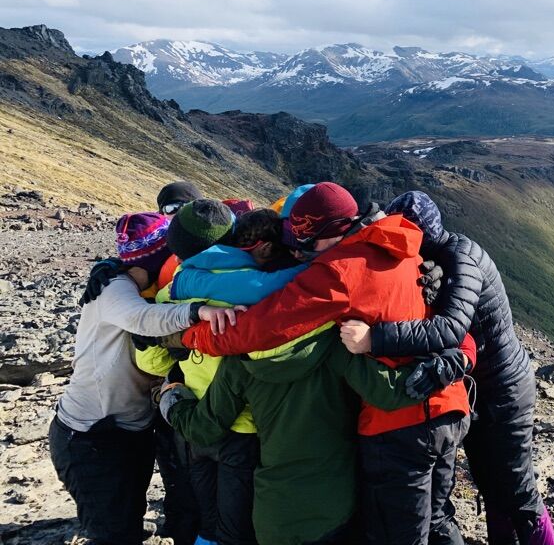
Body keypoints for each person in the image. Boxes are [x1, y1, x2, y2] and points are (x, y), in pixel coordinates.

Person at [181, 182, 475, 545]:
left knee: (398, 535)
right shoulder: (403, 244)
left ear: (337, 230)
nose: (303, 252)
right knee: (438, 522)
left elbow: (258, 329)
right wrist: (462, 357)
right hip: (448, 405)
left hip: (397, 423)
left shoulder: (338, 271)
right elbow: (447, 325)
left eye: (309, 242)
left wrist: (188, 335)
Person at [340, 192, 554, 545]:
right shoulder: (441, 258)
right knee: (489, 482)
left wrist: (373, 339)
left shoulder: (462, 259)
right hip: (479, 387)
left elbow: (452, 328)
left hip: (504, 389)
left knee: (516, 489)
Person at [49, 212, 242, 545]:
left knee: (129, 515)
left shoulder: (148, 288)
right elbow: (142, 319)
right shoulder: (114, 288)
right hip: (90, 436)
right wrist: (197, 311)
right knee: (113, 532)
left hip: (130, 431)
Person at [136, 200, 267, 545]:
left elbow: (152, 364)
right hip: (245, 427)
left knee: (207, 520)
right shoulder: (262, 285)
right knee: (240, 526)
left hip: (192, 422)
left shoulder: (171, 293)